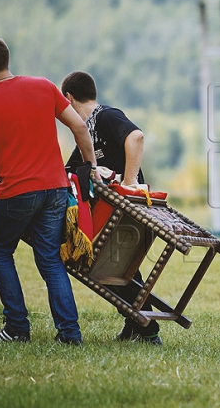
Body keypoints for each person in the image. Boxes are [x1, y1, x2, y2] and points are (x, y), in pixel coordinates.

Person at [0, 37, 98, 346]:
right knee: (49, 259)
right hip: (55, 190)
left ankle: (17, 328)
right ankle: (70, 335)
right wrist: (91, 166)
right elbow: (80, 128)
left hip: (16, 192)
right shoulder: (44, 86)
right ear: (6, 59)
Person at [62, 70, 162, 345]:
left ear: (69, 98)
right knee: (121, 269)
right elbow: (71, 169)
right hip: (112, 211)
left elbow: (137, 137)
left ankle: (148, 330)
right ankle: (135, 325)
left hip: (124, 207)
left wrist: (129, 183)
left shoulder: (105, 116)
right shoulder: (88, 130)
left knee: (111, 268)